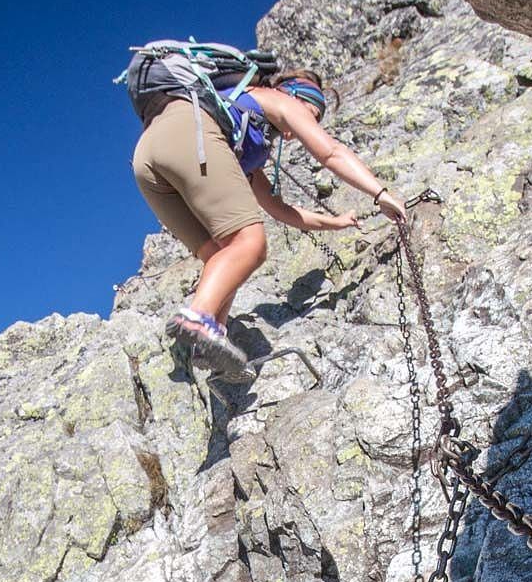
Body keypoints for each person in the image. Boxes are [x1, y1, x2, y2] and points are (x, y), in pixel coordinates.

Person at [131, 68, 407, 379]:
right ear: (296, 96)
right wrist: (379, 193)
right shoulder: (276, 99)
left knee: (221, 256)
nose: (296, 131)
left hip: (147, 156)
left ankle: (209, 341)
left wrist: (337, 222)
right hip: (186, 130)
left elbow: (280, 210)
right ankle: (198, 320)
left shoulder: (244, 139)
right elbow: (331, 153)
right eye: (310, 115)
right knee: (251, 244)